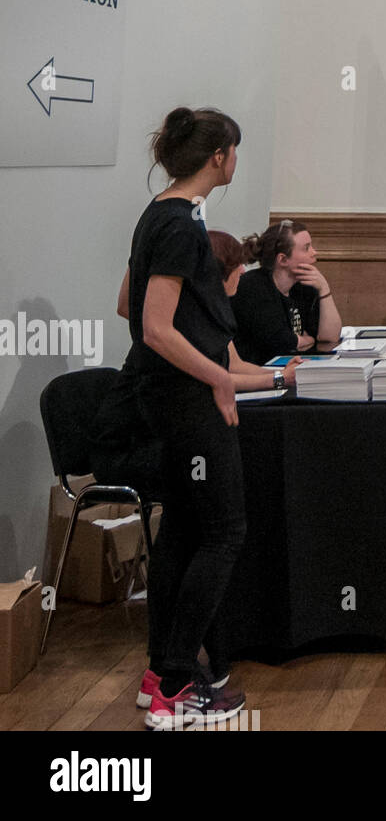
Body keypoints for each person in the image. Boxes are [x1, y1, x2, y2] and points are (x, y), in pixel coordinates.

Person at [108, 229, 303, 712]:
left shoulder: (200, 321)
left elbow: (230, 369)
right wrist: (276, 377)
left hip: (166, 436)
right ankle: (177, 674)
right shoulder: (183, 326)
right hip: (150, 445)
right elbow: (222, 375)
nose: (244, 273)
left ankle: (164, 671)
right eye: (237, 268)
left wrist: (279, 376)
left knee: (186, 534)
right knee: (214, 535)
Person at [119, 106, 251, 729]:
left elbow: (127, 300)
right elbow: (151, 326)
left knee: (180, 534)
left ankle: (158, 674)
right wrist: (219, 374)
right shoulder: (178, 225)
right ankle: (176, 684)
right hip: (186, 400)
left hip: (167, 397)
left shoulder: (161, 216)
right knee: (224, 533)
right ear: (219, 156)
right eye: (235, 151)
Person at [230, 220, 341, 364]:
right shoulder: (253, 286)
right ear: (283, 259)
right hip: (259, 372)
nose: (314, 253)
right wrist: (307, 339)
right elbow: (279, 342)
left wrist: (324, 289)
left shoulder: (305, 286)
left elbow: (330, 336)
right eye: (306, 248)